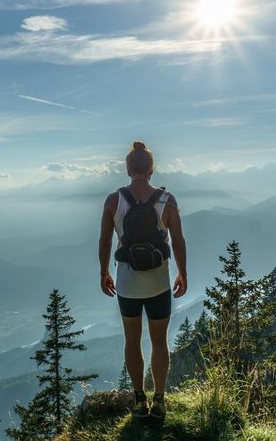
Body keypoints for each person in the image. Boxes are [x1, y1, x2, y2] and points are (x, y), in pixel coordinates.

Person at [98, 140, 187, 420]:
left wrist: (104, 272)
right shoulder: (167, 200)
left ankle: (139, 401)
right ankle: (159, 400)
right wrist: (182, 273)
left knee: (132, 341)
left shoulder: (114, 201)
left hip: (127, 284)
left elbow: (104, 240)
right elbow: (178, 241)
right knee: (159, 342)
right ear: (151, 169)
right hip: (159, 283)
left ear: (127, 169)